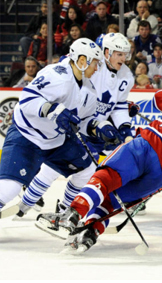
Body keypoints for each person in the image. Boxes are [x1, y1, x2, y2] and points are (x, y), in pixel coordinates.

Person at [35, 41, 162, 253]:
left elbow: (156, 100)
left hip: (149, 145)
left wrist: (133, 107)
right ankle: (90, 233)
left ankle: (72, 214)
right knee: (113, 201)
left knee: (105, 177)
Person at [17, 33, 135, 217]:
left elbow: (118, 105)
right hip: (75, 123)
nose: (124, 58)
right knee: (54, 167)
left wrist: (124, 128)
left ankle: (64, 209)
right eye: (119, 54)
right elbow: (68, 68)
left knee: (86, 171)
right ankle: (26, 203)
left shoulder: (127, 76)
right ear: (107, 52)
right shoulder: (93, 65)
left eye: (126, 54)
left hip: (95, 127)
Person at [0, 38, 114, 217]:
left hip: (56, 141)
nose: (97, 68)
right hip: (28, 135)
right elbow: (26, 101)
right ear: (82, 61)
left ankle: (64, 212)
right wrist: (51, 109)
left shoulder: (90, 91)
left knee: (87, 170)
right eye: (95, 63)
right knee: (10, 188)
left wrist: (97, 127)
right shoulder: (57, 75)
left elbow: (83, 123)